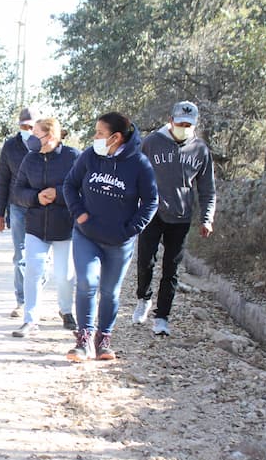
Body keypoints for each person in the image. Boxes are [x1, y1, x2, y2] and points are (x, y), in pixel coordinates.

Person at [63, 112, 158, 361]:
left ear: (115, 138)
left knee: (110, 291)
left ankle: (103, 339)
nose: (95, 137)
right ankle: (84, 339)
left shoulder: (139, 164)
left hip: (119, 241)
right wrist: (79, 213)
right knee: (86, 282)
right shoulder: (90, 156)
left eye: (99, 133)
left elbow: (151, 201)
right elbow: (70, 185)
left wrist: (131, 229)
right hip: (86, 234)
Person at [134, 101, 216, 336]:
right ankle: (143, 298)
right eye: (180, 123)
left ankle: (162, 317)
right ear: (170, 120)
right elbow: (136, 173)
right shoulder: (151, 143)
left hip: (181, 216)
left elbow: (207, 189)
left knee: (171, 268)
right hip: (152, 212)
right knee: (145, 261)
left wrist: (206, 218)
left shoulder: (201, 150)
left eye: (188, 124)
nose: (184, 127)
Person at [12, 118, 79, 337]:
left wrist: (58, 194)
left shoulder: (73, 157)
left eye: (36, 134)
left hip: (65, 227)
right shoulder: (29, 160)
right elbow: (18, 191)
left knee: (65, 275)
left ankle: (66, 311)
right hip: (36, 226)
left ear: (50, 136)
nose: (31, 138)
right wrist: (36, 197)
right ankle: (30, 320)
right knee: (33, 271)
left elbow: (83, 190)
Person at [0, 107, 40, 318]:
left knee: (40, 258)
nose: (27, 130)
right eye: (24, 126)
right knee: (21, 255)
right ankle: (22, 300)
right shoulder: (10, 147)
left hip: (43, 207)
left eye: (31, 126)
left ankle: (35, 294)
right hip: (17, 206)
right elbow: (2, 180)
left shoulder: (45, 144)